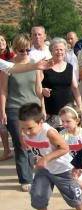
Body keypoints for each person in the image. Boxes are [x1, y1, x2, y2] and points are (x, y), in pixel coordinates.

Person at [18, 103, 82, 210]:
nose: (26, 132)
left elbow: (65, 148)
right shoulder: (24, 131)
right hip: (44, 171)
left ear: (41, 122)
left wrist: (46, 159)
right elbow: (26, 145)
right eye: (23, 128)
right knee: (37, 196)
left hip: (63, 169)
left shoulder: (49, 132)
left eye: (30, 128)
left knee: (73, 196)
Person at [0, 34, 44, 192]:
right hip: (14, 108)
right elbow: (3, 90)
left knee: (33, 143)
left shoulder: (35, 65)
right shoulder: (8, 66)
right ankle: (25, 178)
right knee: (20, 143)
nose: (25, 53)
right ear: (14, 49)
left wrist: (43, 108)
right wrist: (2, 111)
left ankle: (32, 173)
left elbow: (39, 89)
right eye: (21, 50)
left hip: (33, 108)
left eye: (27, 49)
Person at [42, 37, 82, 129]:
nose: (59, 52)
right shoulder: (44, 66)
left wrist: (80, 106)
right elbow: (36, 87)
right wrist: (42, 90)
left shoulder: (69, 67)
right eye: (56, 50)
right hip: (50, 112)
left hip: (68, 112)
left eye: (61, 50)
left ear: (65, 51)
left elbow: (75, 88)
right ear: (51, 51)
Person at [0, 34, 14, 161]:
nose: (0, 42)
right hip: (1, 91)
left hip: (12, 92)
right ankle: (7, 150)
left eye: (2, 39)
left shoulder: (13, 57)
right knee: (2, 123)